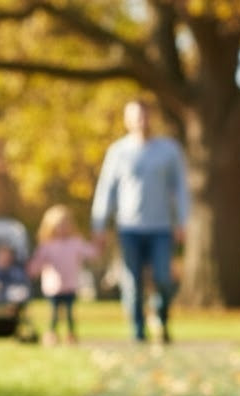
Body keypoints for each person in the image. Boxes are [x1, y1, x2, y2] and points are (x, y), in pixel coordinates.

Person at [91, 98, 189, 344]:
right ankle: (138, 331)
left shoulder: (169, 150)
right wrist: (99, 225)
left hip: (161, 227)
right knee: (132, 283)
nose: (141, 121)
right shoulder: (118, 152)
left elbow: (181, 189)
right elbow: (106, 190)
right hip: (129, 228)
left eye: (145, 116)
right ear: (127, 120)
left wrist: (183, 221)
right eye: (136, 116)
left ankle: (162, 319)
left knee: (163, 279)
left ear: (152, 118)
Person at [27, 204, 99, 345]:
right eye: (60, 225)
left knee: (70, 313)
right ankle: (52, 333)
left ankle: (71, 334)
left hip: (70, 285)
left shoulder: (75, 243)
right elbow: (38, 262)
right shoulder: (47, 246)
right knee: (54, 313)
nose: (63, 229)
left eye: (66, 225)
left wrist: (99, 245)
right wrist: (31, 270)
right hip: (53, 287)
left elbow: (91, 252)